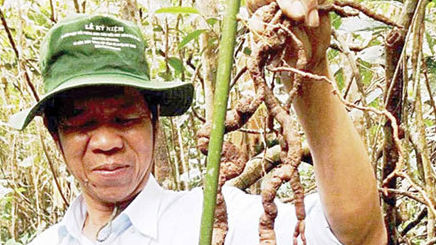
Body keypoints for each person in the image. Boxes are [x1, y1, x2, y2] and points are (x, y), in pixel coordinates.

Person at [8, 0, 387, 244]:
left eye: (125, 118)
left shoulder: (216, 217)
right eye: (82, 124)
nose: (106, 141)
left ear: (154, 123)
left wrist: (308, 69)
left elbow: (356, 236)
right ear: (55, 135)